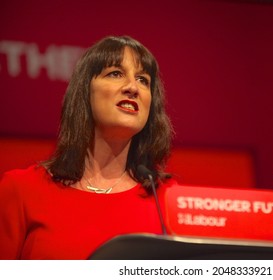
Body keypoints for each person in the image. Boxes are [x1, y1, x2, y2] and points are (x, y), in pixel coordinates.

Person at [0, 35, 175, 259]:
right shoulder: (21, 191)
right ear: (85, 92)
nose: (133, 87)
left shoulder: (166, 201)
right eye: (115, 73)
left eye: (143, 80)